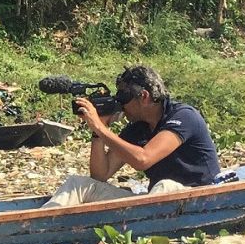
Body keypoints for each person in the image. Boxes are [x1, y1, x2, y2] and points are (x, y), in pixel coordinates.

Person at [44, 65, 220, 207]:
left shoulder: (183, 116)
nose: (120, 104)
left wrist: (99, 126)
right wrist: (99, 130)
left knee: (164, 185)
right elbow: (101, 174)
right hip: (153, 201)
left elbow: (143, 159)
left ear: (144, 96)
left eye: (124, 97)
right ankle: (42, 225)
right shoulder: (137, 127)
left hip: (198, 196)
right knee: (78, 184)